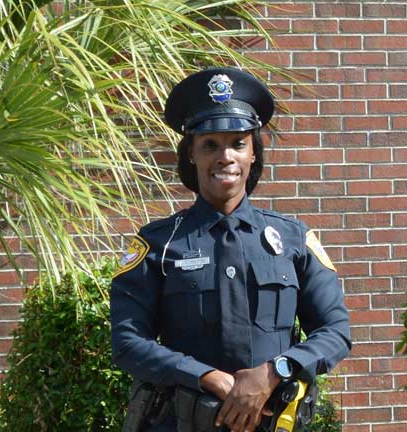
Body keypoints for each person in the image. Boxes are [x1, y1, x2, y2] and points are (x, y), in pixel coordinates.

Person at [111, 67, 351, 432]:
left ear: (253, 153)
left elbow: (335, 331)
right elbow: (127, 342)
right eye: (210, 144)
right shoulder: (158, 243)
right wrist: (206, 377)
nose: (225, 156)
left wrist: (275, 371)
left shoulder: (293, 239)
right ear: (192, 154)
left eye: (238, 143)